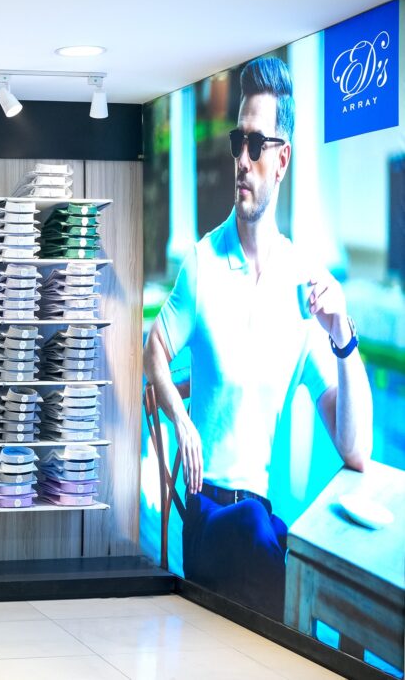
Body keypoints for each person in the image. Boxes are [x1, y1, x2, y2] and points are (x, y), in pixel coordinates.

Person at [142, 56, 373, 620]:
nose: (241, 161)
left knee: (273, 539)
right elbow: (154, 350)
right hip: (209, 514)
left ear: (282, 159)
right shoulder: (202, 263)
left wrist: (343, 336)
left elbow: (356, 449)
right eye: (236, 143)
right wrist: (182, 420)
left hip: (258, 520)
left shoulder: (302, 285)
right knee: (262, 539)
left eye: (255, 145)